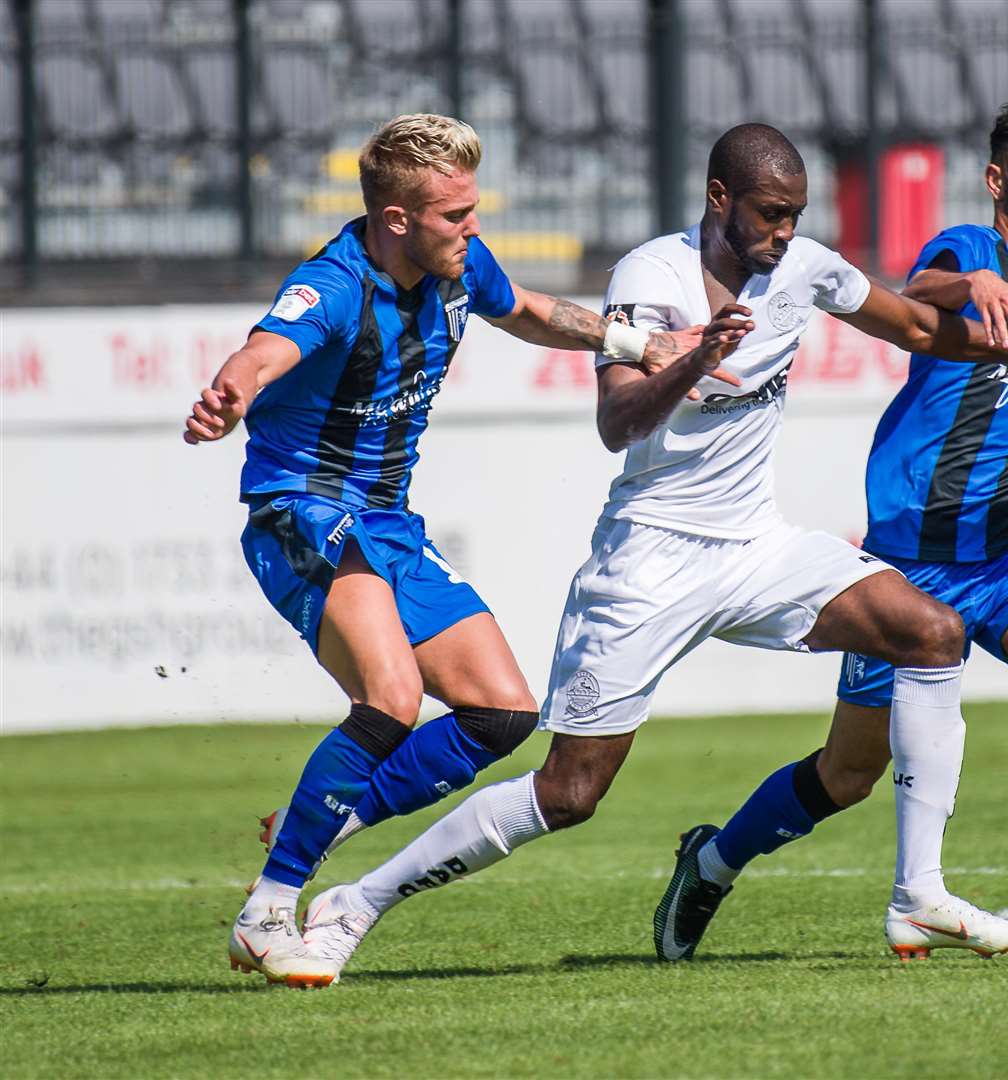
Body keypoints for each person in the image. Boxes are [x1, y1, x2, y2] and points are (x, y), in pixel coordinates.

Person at [282, 121, 1008, 983]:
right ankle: (358, 903)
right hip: (649, 560)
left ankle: (916, 892)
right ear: (718, 199)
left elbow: (918, 328)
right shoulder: (649, 274)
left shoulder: (803, 266)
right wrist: (690, 356)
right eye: (770, 214)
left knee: (927, 633)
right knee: (569, 793)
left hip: (754, 544)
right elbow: (616, 424)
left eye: (795, 215)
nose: (783, 234)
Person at [652, 100, 1008, 965]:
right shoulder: (965, 252)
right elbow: (918, 293)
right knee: (846, 775)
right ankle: (712, 861)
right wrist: (973, 288)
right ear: (997, 181)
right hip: (910, 566)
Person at [183, 114, 699, 986]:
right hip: (303, 510)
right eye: (454, 214)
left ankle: (328, 817)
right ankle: (268, 910)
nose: (472, 227)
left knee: (500, 714)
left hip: (386, 520)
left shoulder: (459, 266)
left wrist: (638, 343)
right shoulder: (337, 284)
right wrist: (229, 393)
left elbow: (531, 312)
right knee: (391, 697)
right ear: (396, 221)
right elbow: (266, 349)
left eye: (471, 208)